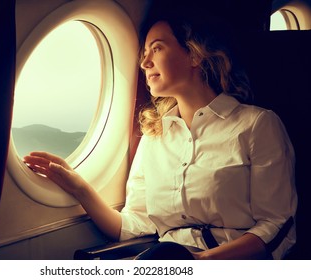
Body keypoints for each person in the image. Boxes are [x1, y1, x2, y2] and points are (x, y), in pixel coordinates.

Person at [23, 15, 297, 260]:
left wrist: (203, 263)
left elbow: (276, 225)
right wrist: (78, 187)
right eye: (144, 53)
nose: (144, 62)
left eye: (157, 48)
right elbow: (133, 226)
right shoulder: (155, 137)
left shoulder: (257, 125)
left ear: (194, 55)